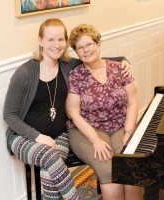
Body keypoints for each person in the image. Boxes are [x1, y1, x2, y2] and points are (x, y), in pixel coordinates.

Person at [3, 18, 131, 200]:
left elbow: (98, 60)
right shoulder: (25, 73)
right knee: (51, 159)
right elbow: (9, 115)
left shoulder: (68, 65)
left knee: (49, 176)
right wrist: (38, 137)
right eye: (50, 40)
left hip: (59, 136)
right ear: (40, 41)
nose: (57, 45)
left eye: (61, 39)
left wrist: (124, 61)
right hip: (24, 138)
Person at [66, 24, 143, 200]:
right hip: (86, 128)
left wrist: (129, 132)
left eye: (89, 44)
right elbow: (73, 113)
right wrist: (95, 140)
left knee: (131, 165)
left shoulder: (120, 69)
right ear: (76, 52)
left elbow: (132, 102)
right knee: (109, 170)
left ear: (98, 44)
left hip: (119, 124)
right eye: (80, 47)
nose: (86, 50)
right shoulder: (76, 75)